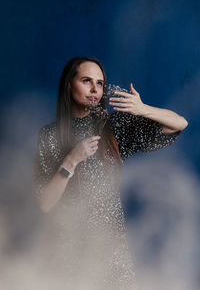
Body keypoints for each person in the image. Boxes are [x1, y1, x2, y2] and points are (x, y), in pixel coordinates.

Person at [34, 56, 188, 289]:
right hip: (68, 249)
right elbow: (45, 204)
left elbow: (179, 123)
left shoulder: (112, 127)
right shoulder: (49, 136)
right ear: (69, 84)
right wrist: (71, 161)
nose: (95, 89)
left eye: (100, 83)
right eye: (87, 81)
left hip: (110, 250)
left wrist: (142, 109)